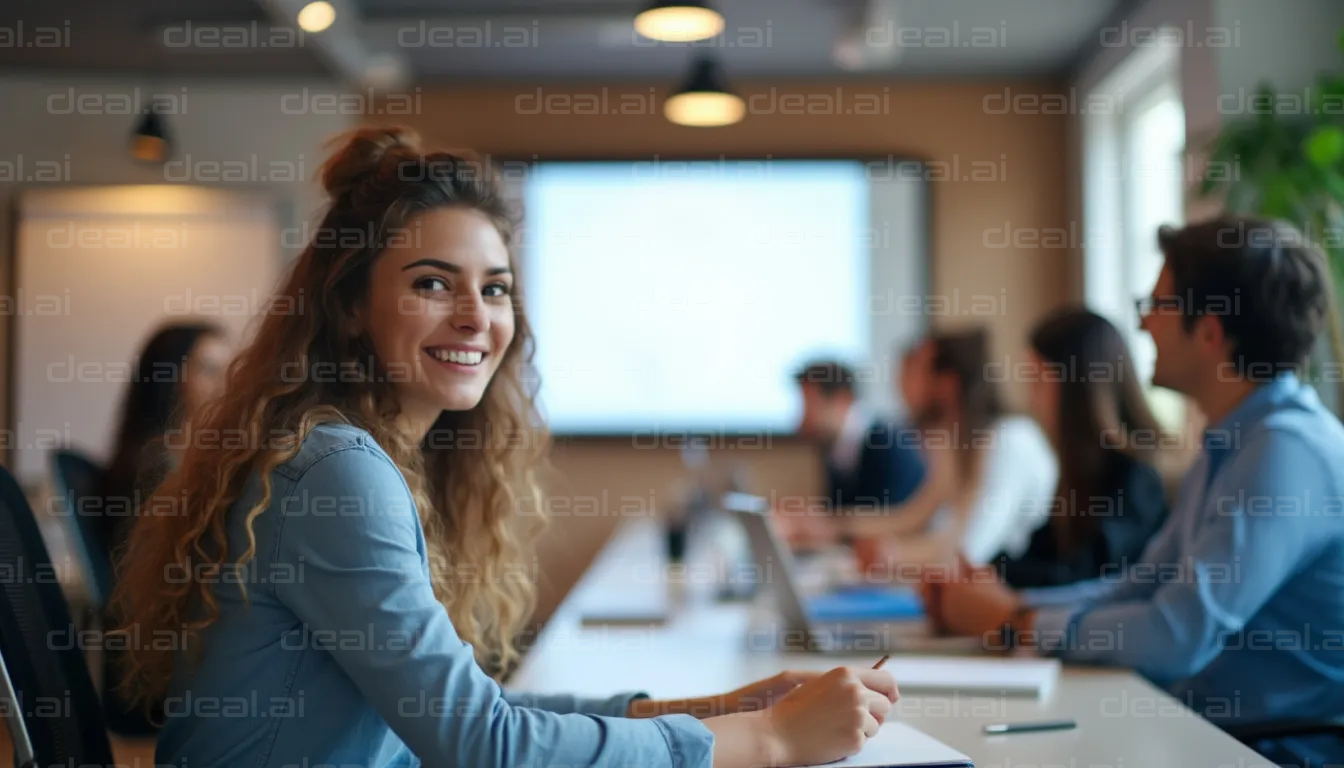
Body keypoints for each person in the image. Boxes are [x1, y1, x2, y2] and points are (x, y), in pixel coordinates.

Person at [111, 127, 898, 768]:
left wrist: (725, 709)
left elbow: (472, 713)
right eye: (431, 283)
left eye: (494, 288)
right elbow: (480, 745)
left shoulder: (364, 459)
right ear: (351, 306)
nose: (474, 317)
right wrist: (769, 741)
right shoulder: (337, 473)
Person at [922, 217, 1344, 760]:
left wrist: (1015, 623)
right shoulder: (1234, 442)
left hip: (1271, 750)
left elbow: (1177, 633)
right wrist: (1007, 606)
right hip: (1201, 729)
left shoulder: (1286, 453)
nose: (1143, 324)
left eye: (1157, 304)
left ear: (1211, 331)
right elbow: (1142, 585)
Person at [97, 321, 229, 735]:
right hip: (157, 684)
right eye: (210, 369)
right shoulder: (157, 471)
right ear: (169, 379)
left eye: (230, 369)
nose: (227, 382)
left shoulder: (190, 461)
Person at [839, 328, 1059, 568]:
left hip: (1013, 589)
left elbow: (969, 551)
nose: (899, 382)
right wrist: (836, 526)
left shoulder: (1011, 440)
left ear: (948, 383)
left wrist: (894, 554)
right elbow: (913, 516)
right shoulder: (959, 444)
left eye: (914, 370)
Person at [990, 307, 1169, 588]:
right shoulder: (1081, 472)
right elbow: (1041, 553)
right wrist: (985, 571)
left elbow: (1081, 575)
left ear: (1076, 389)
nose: (1031, 400)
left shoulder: (1136, 479)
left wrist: (993, 576)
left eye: (1038, 382)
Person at [793, 359, 926, 512]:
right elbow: (839, 509)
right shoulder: (834, 447)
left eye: (811, 405)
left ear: (843, 399)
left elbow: (887, 517)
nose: (803, 420)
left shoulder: (886, 444)